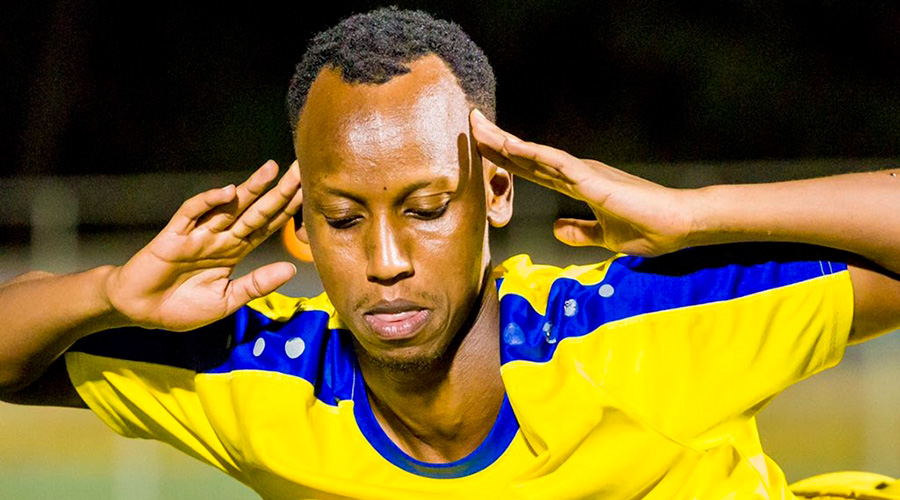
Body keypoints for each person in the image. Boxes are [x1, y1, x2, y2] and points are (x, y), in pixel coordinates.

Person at [2, 7, 899, 499]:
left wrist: (696, 215)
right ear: (299, 228)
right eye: (344, 218)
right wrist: (111, 293)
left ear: (495, 194)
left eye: (427, 208)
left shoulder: (643, 329)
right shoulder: (261, 379)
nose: (386, 258)